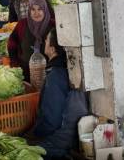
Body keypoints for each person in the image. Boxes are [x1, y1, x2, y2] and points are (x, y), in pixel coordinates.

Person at [31, 30, 88, 159]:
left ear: (52, 48)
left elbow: (52, 120)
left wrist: (35, 135)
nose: (44, 42)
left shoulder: (56, 75)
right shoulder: (69, 68)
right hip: (73, 135)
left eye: (46, 40)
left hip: (61, 141)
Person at [8, 0, 55, 83]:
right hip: (26, 73)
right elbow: (12, 43)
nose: (36, 13)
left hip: (50, 74)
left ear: (45, 9)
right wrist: (15, 63)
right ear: (29, 11)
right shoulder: (22, 24)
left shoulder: (53, 25)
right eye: (33, 9)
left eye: (39, 9)